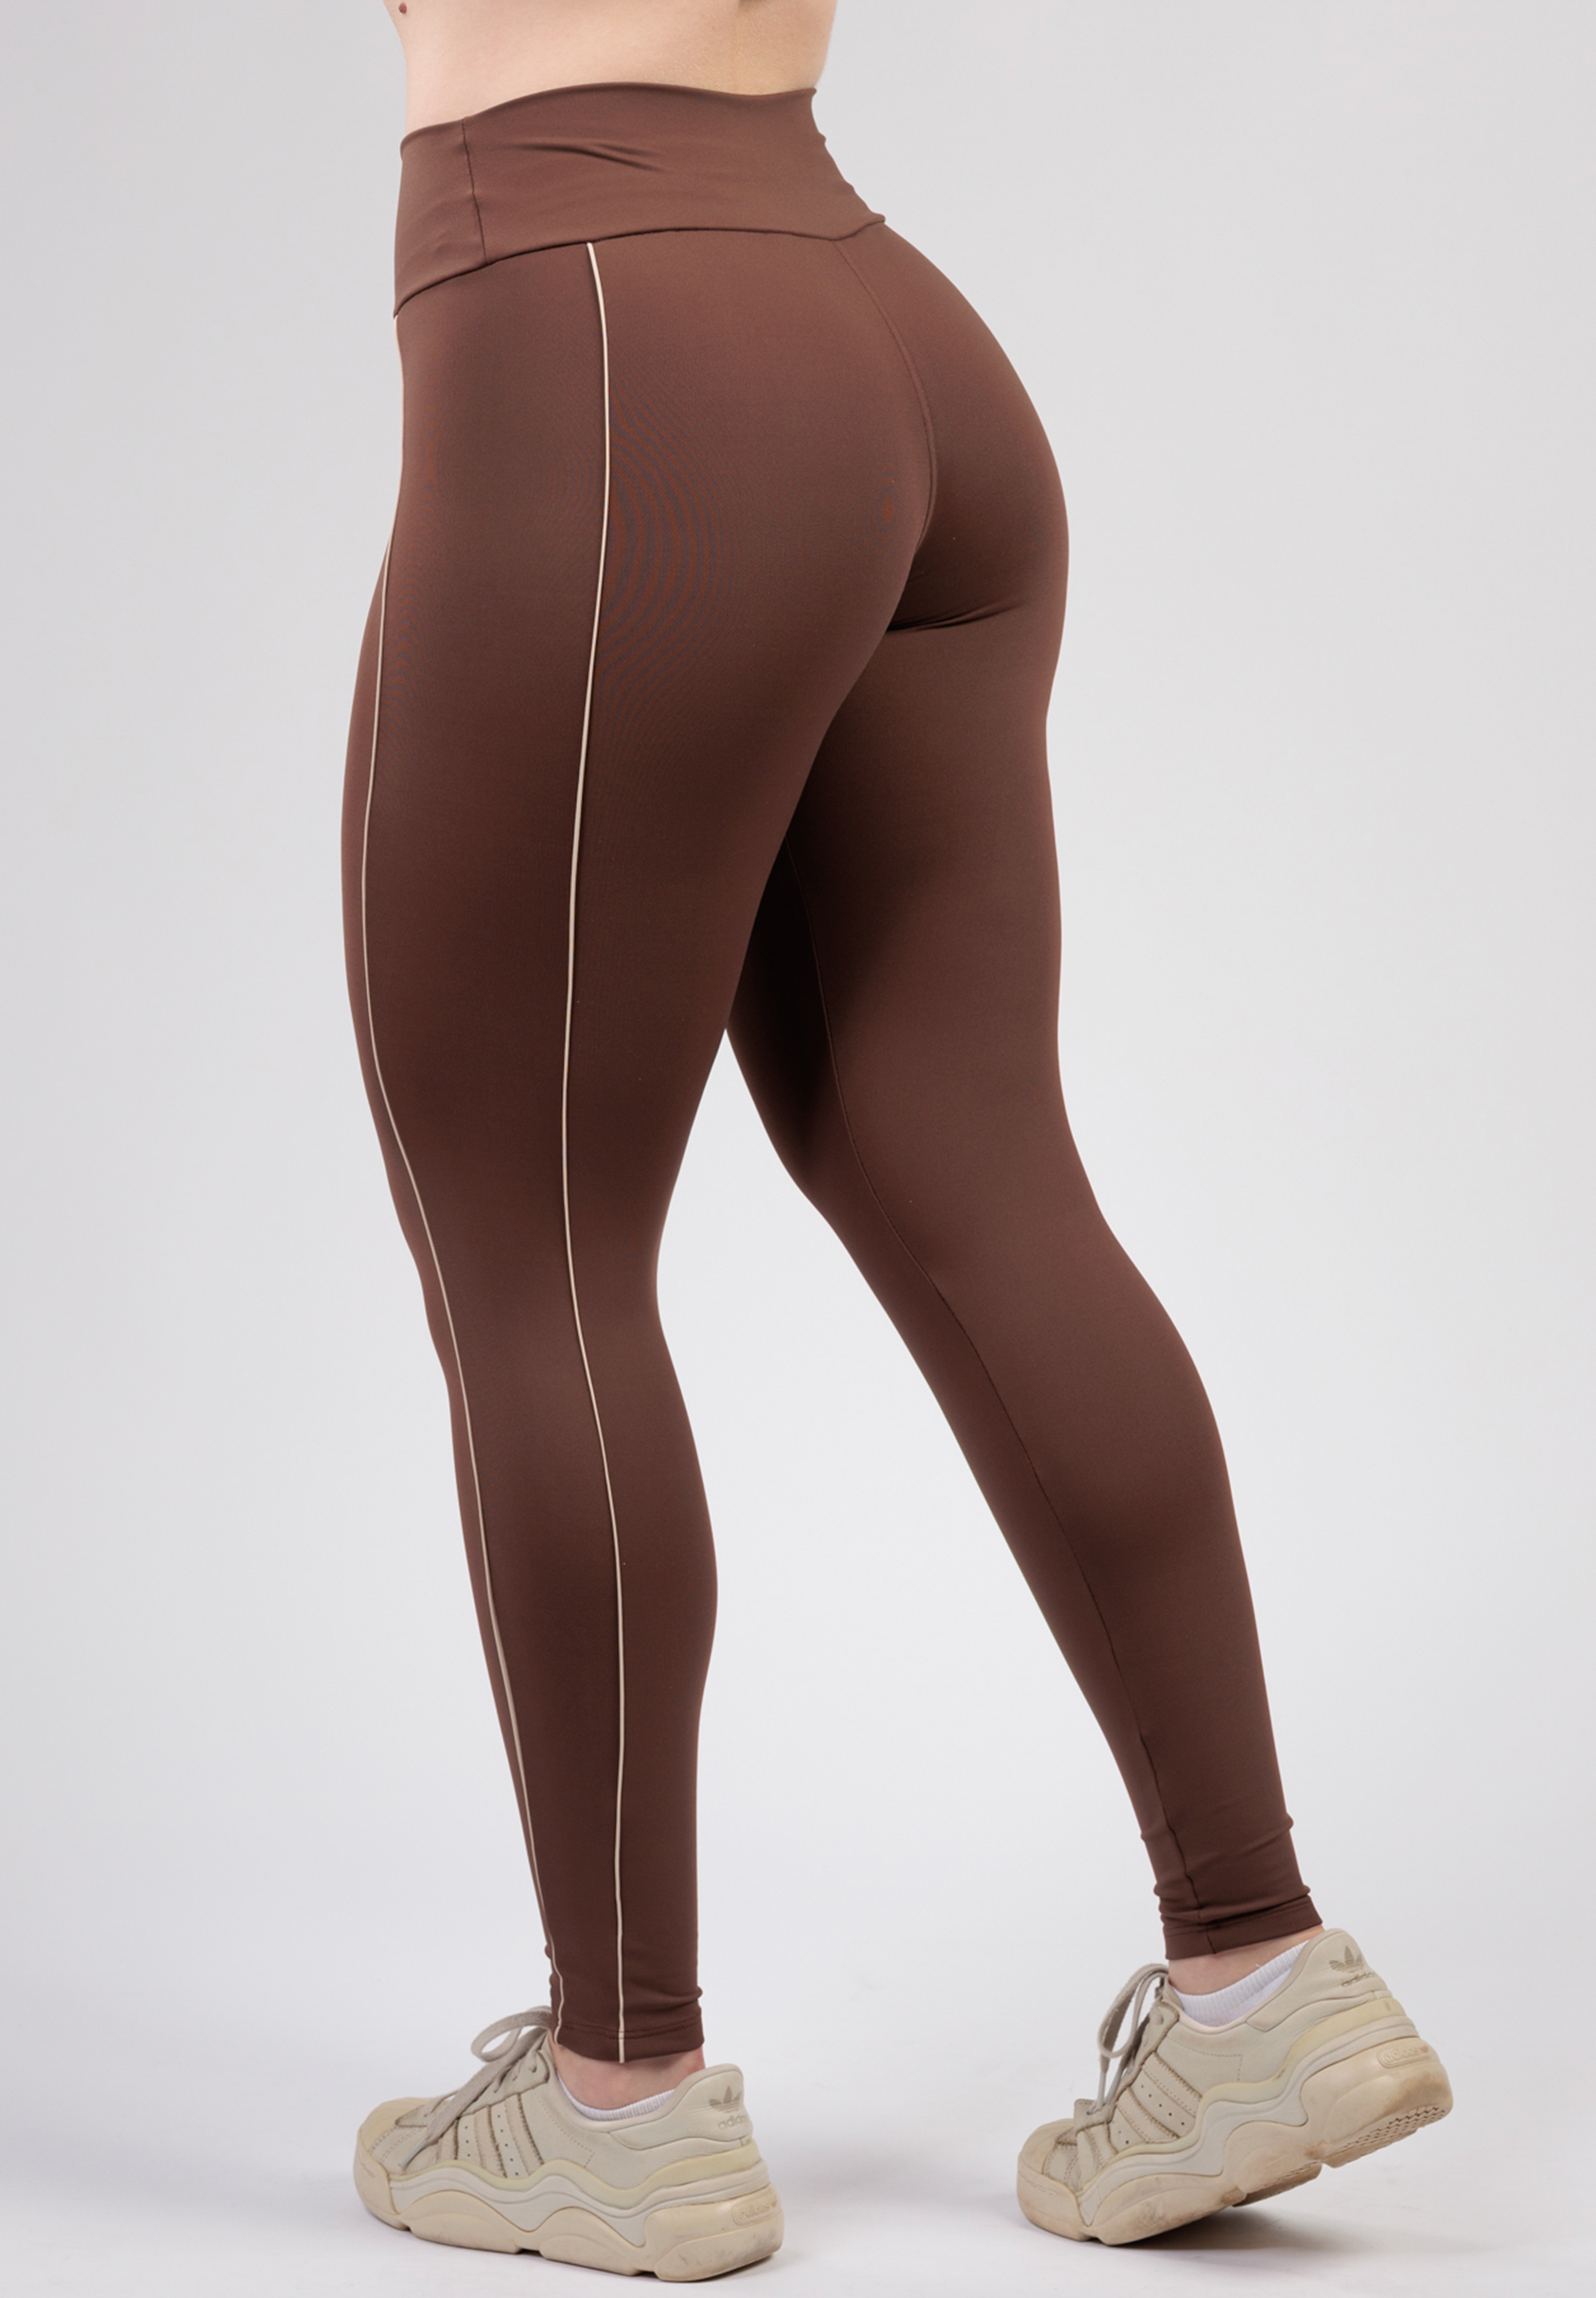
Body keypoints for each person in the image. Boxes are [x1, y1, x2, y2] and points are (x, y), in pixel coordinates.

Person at [343, 0, 1450, 2273]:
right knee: (976, 1164)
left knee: (532, 1244)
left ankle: (617, 2092)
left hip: (608, 334)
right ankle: (1258, 1975)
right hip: (890, 341)